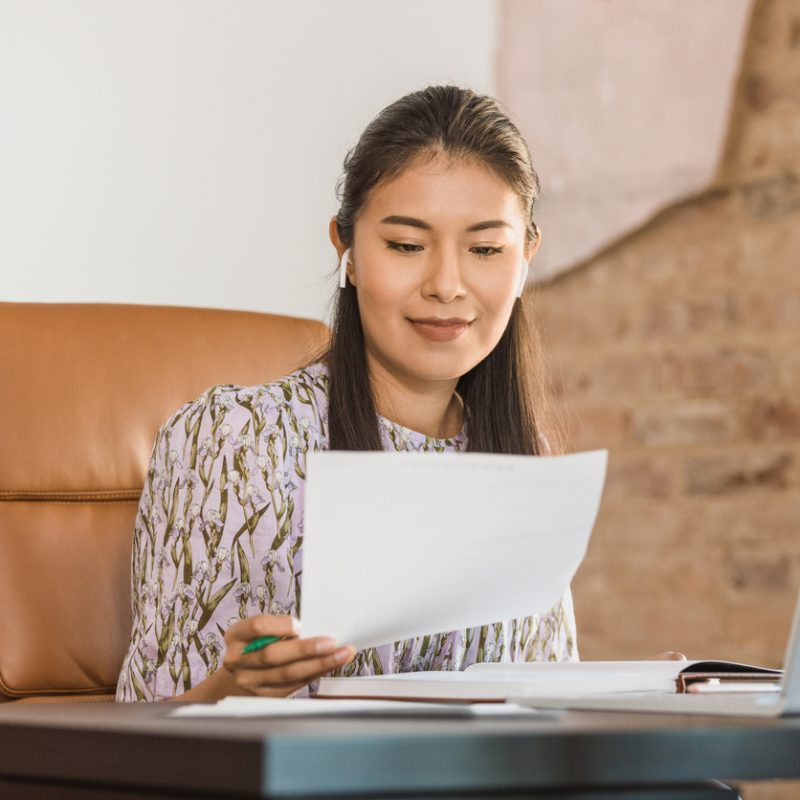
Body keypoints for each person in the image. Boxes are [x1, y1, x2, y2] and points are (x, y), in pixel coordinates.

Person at [115, 84, 577, 703]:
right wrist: (233, 689)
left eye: (486, 249)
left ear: (526, 259)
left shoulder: (525, 457)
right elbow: (138, 737)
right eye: (406, 246)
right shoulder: (233, 440)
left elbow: (544, 706)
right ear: (348, 249)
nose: (446, 284)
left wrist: (633, 692)